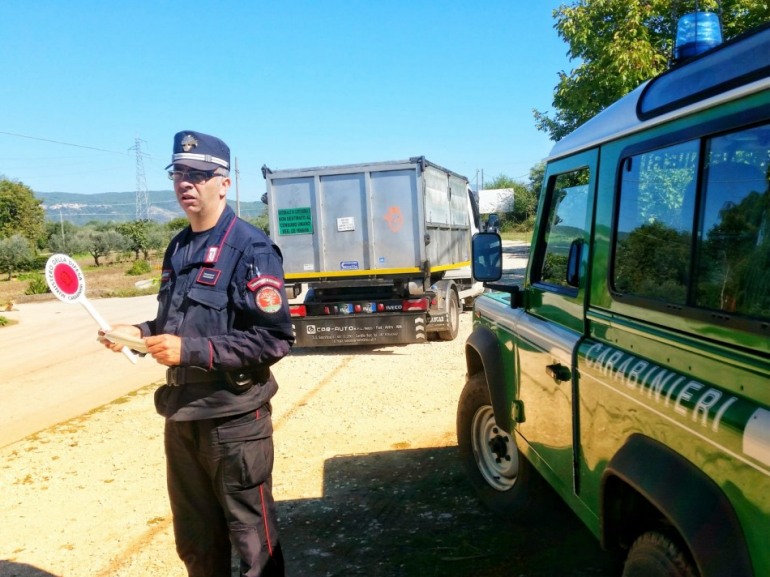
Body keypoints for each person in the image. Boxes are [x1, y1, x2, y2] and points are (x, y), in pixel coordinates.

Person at [101, 130, 295, 577]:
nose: (186, 183)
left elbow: (274, 339)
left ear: (223, 183)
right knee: (196, 544)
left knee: (253, 548)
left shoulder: (252, 248)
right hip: (183, 419)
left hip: (234, 422)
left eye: (199, 175)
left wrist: (189, 351)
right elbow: (172, 323)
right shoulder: (179, 246)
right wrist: (137, 332)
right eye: (179, 173)